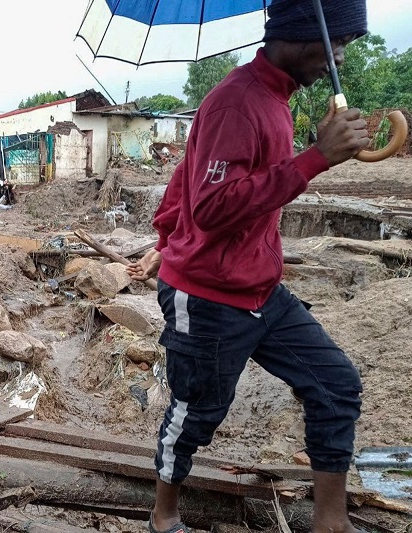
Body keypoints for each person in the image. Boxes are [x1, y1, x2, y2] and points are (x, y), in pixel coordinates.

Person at [126, 2, 370, 533]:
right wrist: (315, 159)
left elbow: (189, 186)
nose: (340, 61)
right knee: (197, 412)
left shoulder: (276, 100)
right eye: (340, 46)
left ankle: (331, 520)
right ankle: (163, 515)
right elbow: (212, 206)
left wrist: (168, 237)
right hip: (209, 295)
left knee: (336, 384)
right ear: (308, 39)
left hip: (261, 291)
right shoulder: (235, 102)